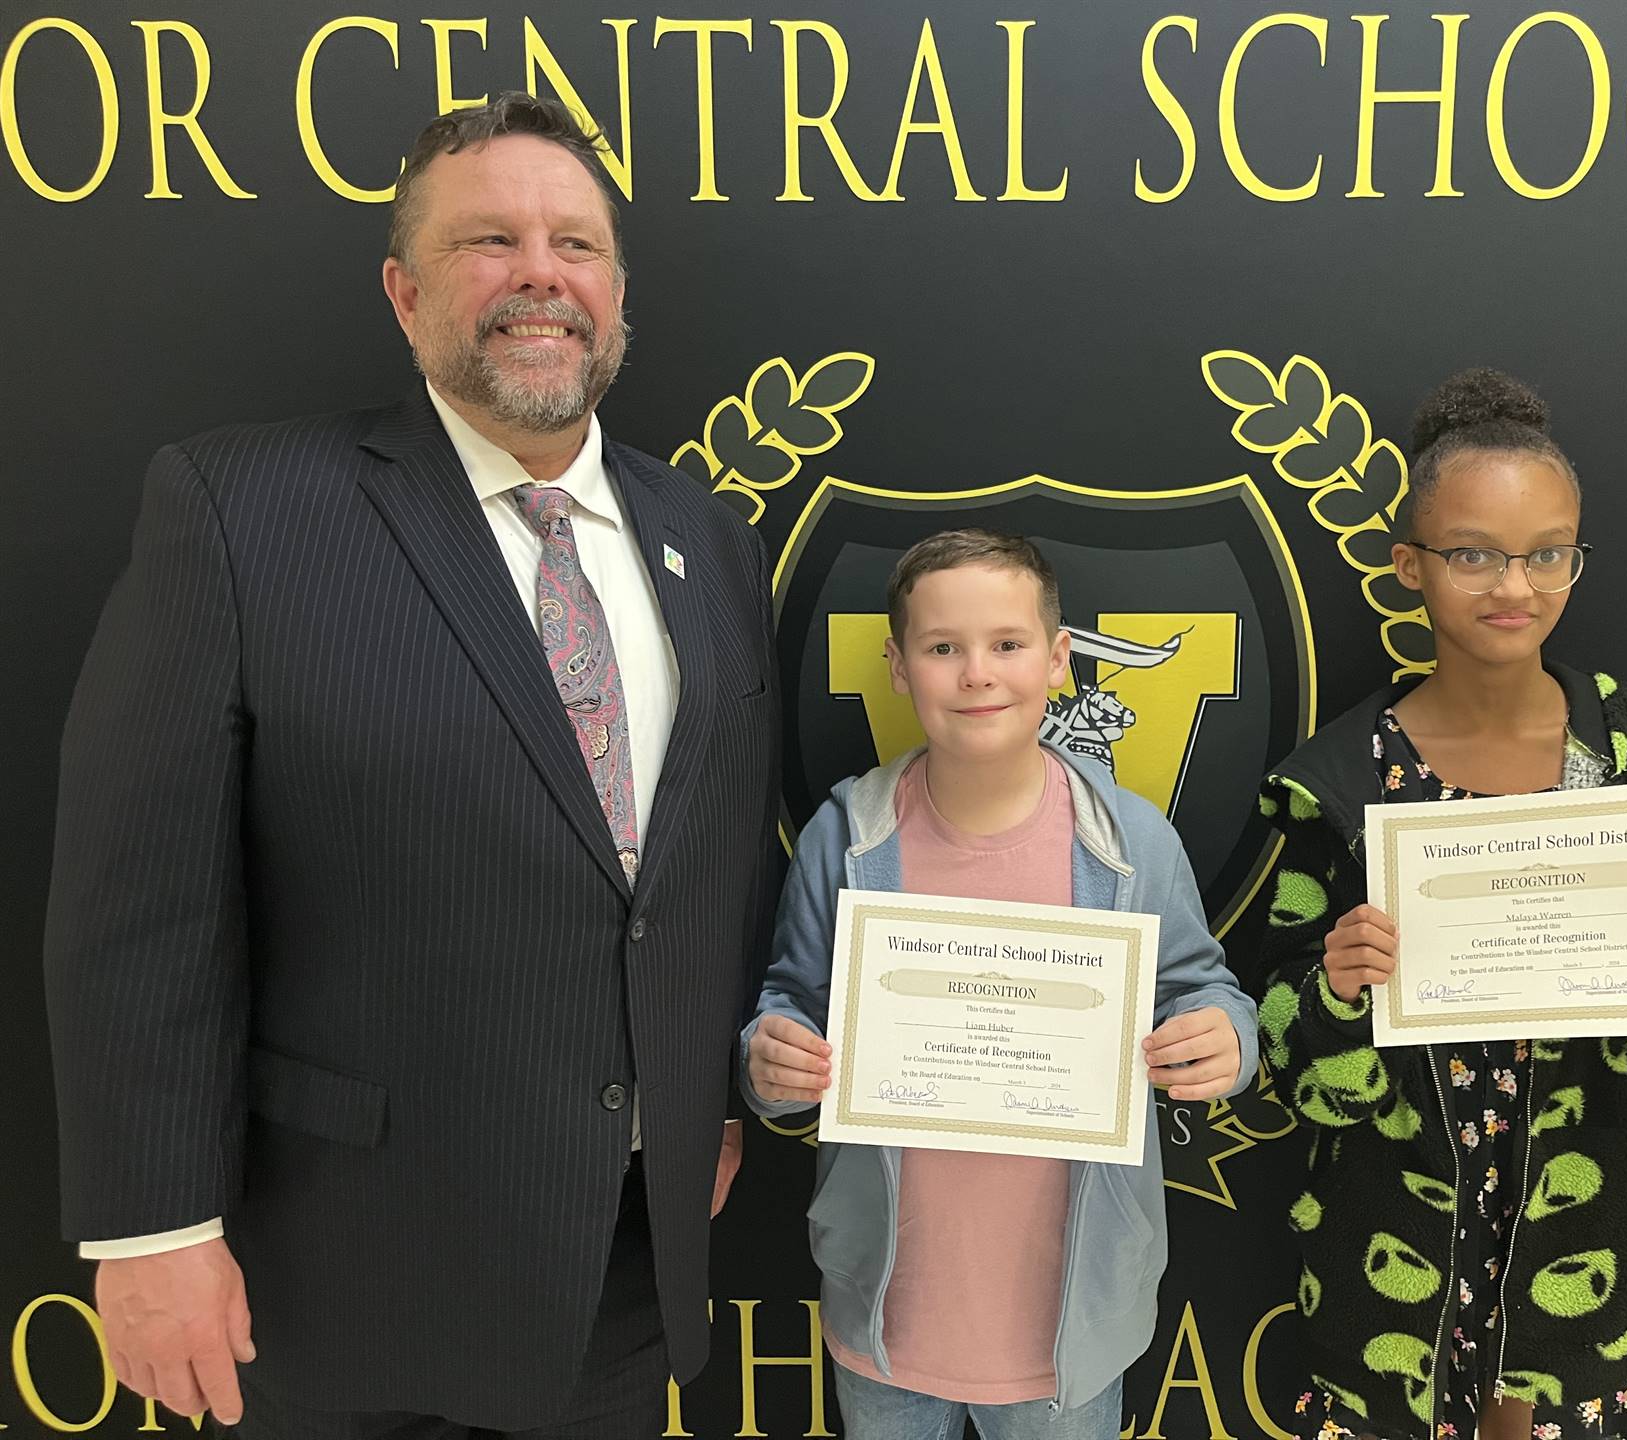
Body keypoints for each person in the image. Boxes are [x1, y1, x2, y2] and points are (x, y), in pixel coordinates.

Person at [42, 93, 779, 1439]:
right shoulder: (241, 510)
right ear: (403, 291)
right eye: (487, 240)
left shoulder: (707, 536)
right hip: (345, 1277)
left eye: (577, 244)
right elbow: (136, 907)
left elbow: (711, 857)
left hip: (624, 1263)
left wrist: (706, 1093)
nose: (541, 274)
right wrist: (151, 1226)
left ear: (618, 293)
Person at [1253, 369, 1627, 1440]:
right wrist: (1340, 990)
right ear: (1410, 567)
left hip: (1593, 1260)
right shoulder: (1340, 782)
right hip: (1392, 1263)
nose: (1516, 584)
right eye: (1473, 553)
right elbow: (1296, 1069)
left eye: (1549, 551)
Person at [740, 529, 1258, 1438]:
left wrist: (1224, 1038)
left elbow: (1205, 992)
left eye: (1008, 645)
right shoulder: (847, 838)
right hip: (887, 1324)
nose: (978, 673)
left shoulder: (1132, 844)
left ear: (1059, 661)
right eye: (944, 648)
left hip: (1069, 1334)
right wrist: (768, 1062)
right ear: (899, 668)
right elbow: (788, 1007)